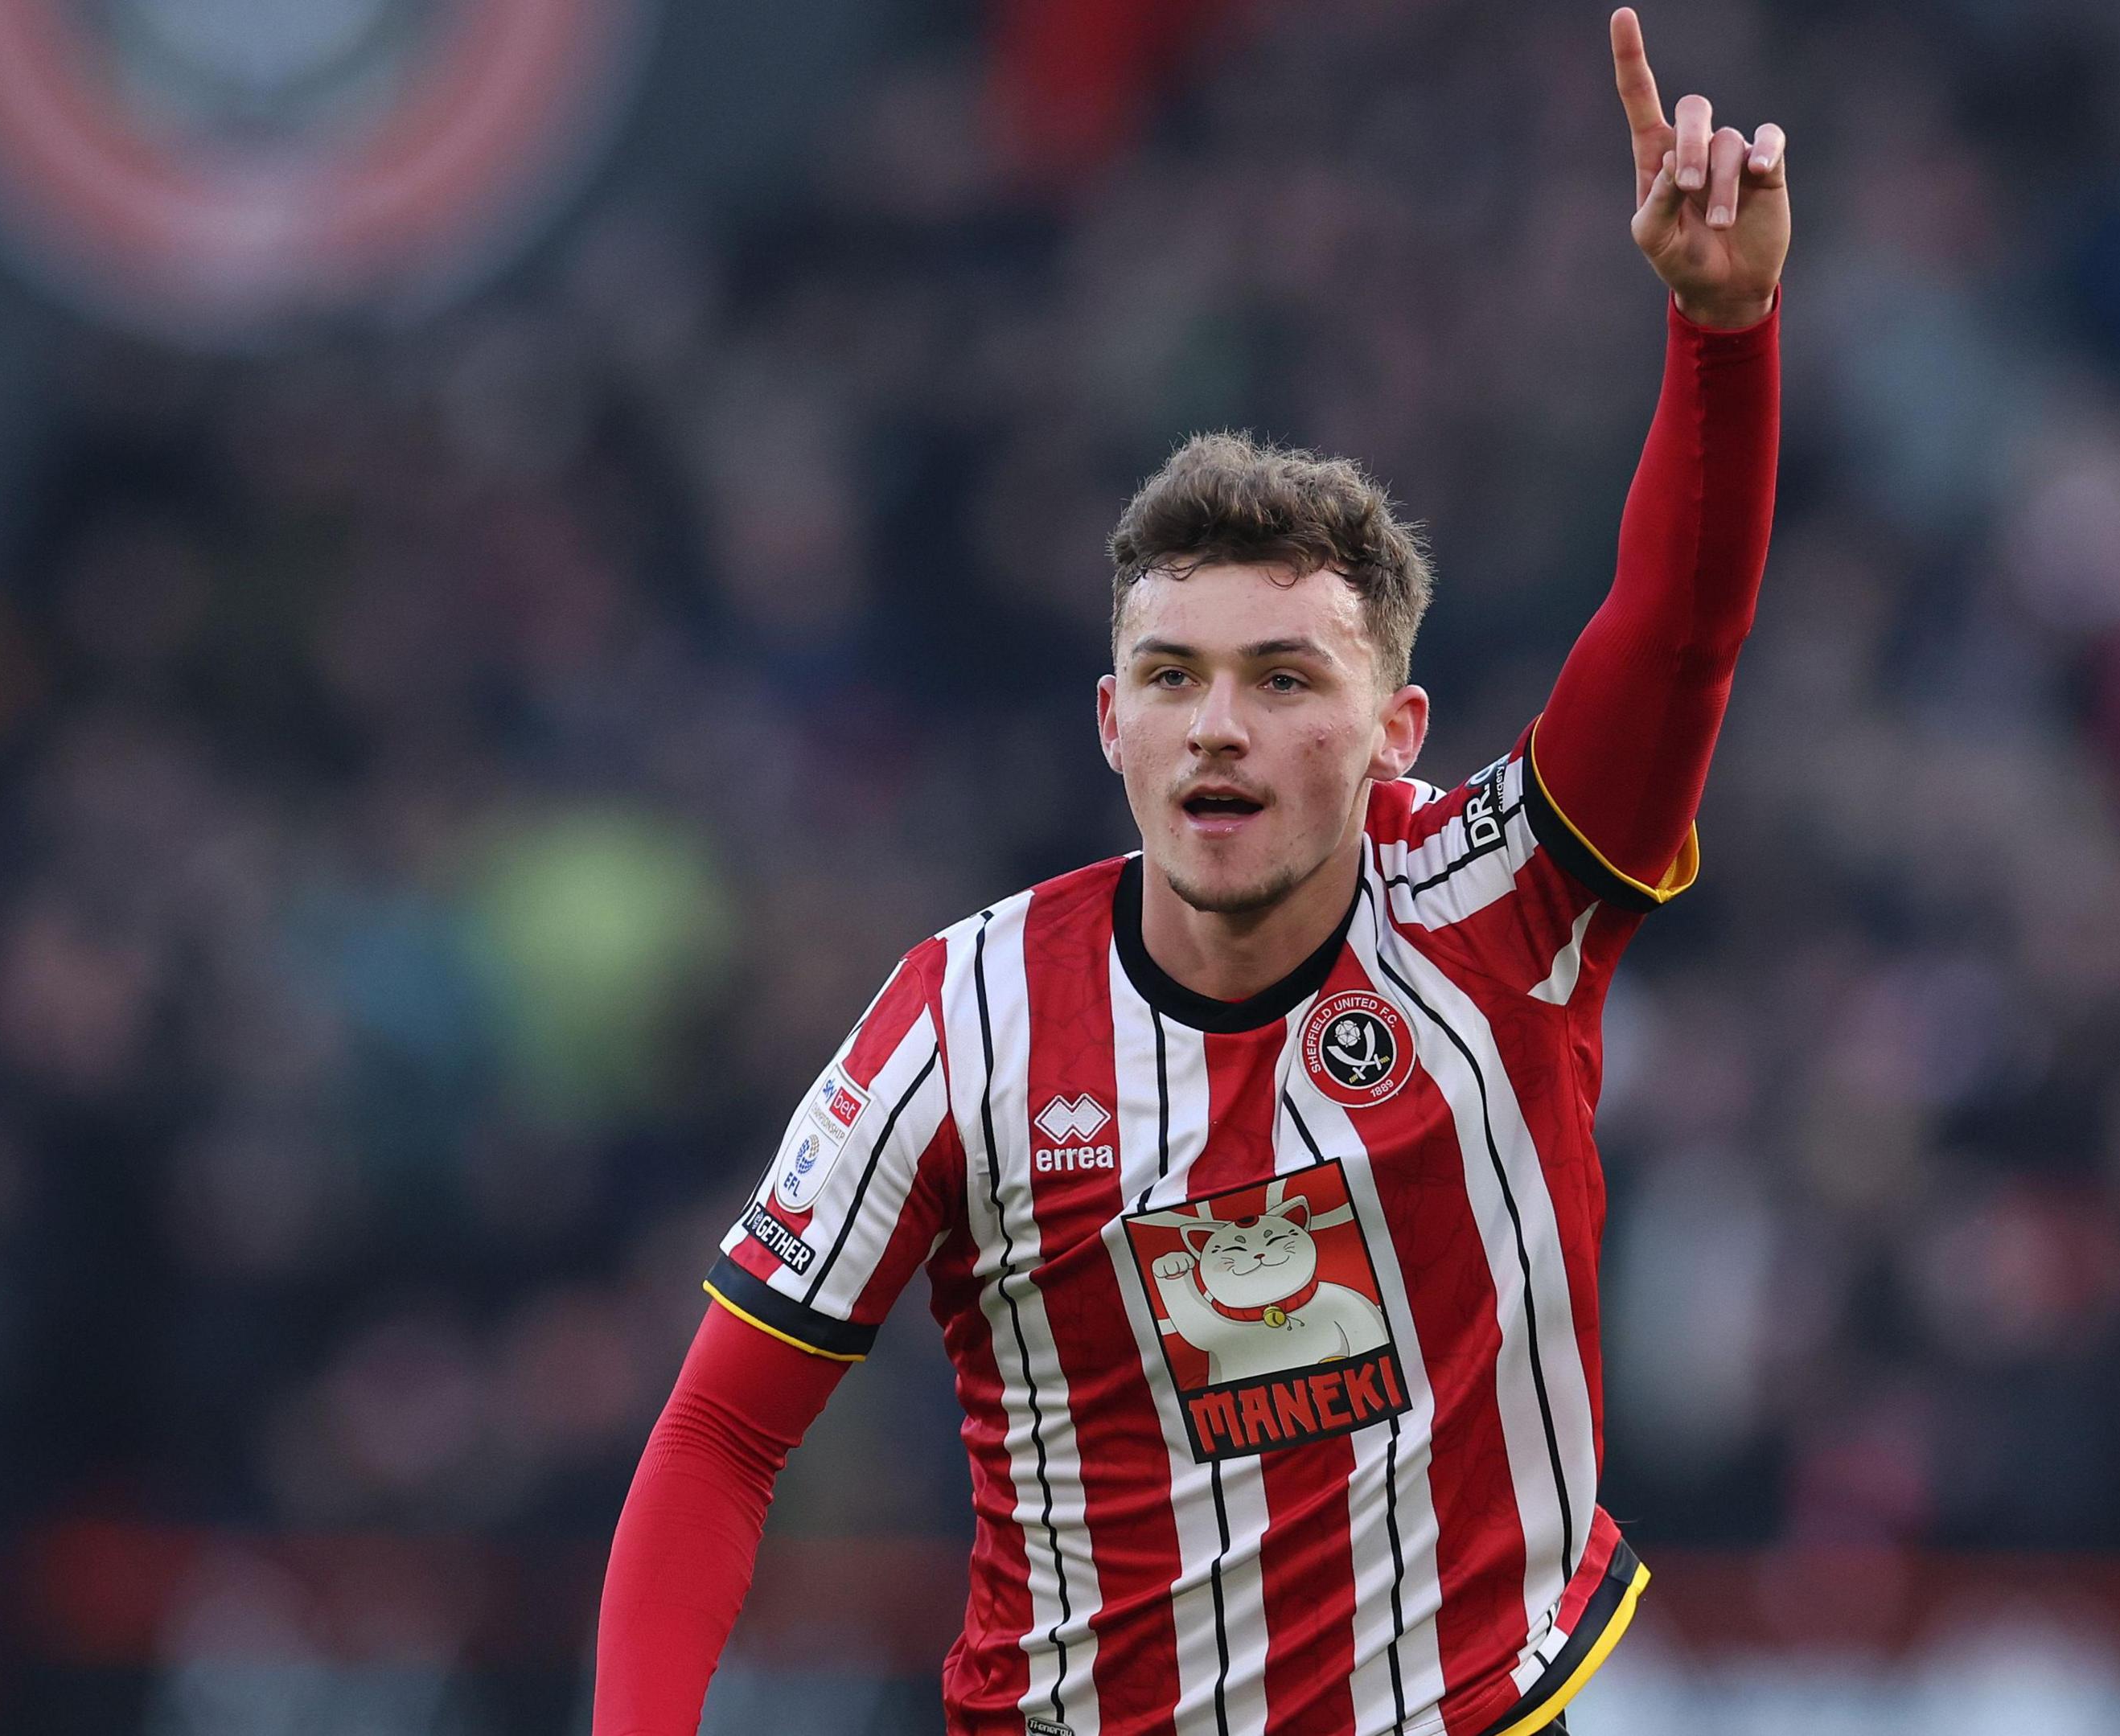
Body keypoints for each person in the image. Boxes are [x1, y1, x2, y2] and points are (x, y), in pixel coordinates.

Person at [594, 11, 1785, 1732]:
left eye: (1286, 679)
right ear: (1109, 723)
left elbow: (1676, 644)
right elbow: (722, 1428)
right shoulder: (967, 1020)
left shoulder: (1496, 907)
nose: (1218, 729)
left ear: (1397, 730)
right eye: (1174, 679)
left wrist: (1721, 330)